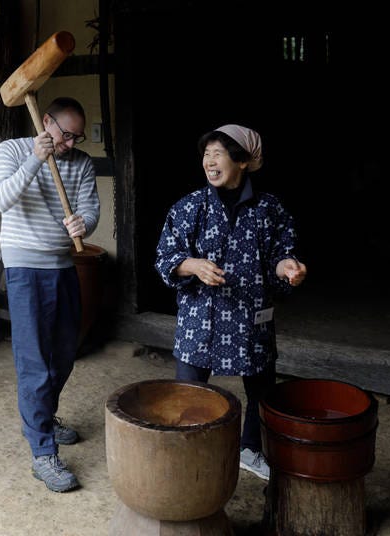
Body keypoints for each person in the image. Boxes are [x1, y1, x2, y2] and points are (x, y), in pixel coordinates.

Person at [154, 124, 307, 481]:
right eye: (206, 154)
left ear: (243, 161)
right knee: (190, 394)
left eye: (218, 154)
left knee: (261, 389)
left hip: (249, 315)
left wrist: (289, 268)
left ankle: (250, 449)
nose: (209, 161)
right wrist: (192, 265)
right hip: (200, 320)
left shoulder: (270, 209)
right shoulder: (189, 206)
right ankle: (192, 456)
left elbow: (281, 256)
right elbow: (165, 256)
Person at [0, 97, 100, 492]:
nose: (70, 143)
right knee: (34, 360)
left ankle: (42, 414)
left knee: (66, 350)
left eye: (77, 136)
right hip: (24, 266)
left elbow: (90, 208)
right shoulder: (13, 150)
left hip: (63, 264)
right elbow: (2, 200)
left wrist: (82, 222)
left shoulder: (82, 162)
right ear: (46, 122)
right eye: (65, 135)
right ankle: (42, 452)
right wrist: (35, 160)